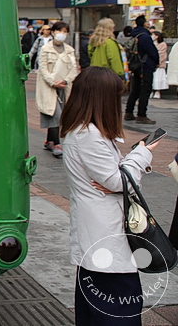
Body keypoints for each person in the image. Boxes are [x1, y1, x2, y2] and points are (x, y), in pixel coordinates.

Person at [62, 66, 158, 325]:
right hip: (105, 237)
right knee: (116, 310)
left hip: (99, 235)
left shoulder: (84, 131)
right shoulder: (88, 135)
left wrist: (125, 169)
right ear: (102, 98)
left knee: (96, 310)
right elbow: (118, 181)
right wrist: (142, 153)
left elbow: (116, 179)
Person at [36, 21, 78, 158]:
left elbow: (73, 68)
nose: (62, 34)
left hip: (64, 87)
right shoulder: (45, 49)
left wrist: (65, 81)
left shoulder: (69, 50)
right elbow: (42, 68)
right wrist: (53, 82)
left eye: (65, 32)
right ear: (53, 32)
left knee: (59, 113)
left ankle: (49, 140)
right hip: (50, 87)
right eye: (60, 31)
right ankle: (56, 143)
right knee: (55, 114)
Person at [124, 15, 161, 124]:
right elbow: (152, 51)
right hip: (145, 66)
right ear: (144, 23)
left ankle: (129, 112)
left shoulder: (135, 34)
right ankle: (141, 114)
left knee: (135, 89)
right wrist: (157, 61)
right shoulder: (145, 36)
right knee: (145, 89)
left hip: (136, 66)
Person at [151, 30, 168, 99]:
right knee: (152, 78)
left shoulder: (162, 44)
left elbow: (162, 54)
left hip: (159, 65)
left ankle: (158, 91)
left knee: (158, 77)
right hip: (152, 64)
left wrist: (158, 62)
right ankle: (151, 91)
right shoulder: (151, 43)